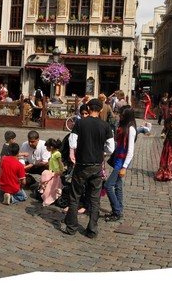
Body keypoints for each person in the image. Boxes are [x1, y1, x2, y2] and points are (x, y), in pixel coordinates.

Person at [61, 99, 114, 238]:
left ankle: (71, 227)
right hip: (96, 165)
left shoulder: (80, 123)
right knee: (95, 198)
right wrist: (100, 149)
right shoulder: (105, 125)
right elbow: (110, 148)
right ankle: (92, 230)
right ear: (101, 110)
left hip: (81, 165)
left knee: (75, 196)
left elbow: (72, 143)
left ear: (88, 108)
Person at [104, 106, 138, 221]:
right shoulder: (122, 126)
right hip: (117, 158)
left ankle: (117, 209)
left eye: (122, 115)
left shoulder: (131, 129)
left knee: (108, 186)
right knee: (118, 186)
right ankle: (118, 210)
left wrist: (124, 167)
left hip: (122, 161)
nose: (120, 116)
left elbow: (130, 151)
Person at [40, 139, 65, 206]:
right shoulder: (53, 153)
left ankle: (51, 197)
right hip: (52, 171)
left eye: (47, 147)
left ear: (51, 147)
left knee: (53, 186)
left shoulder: (57, 153)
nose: (46, 148)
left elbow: (60, 163)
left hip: (56, 172)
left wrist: (61, 171)